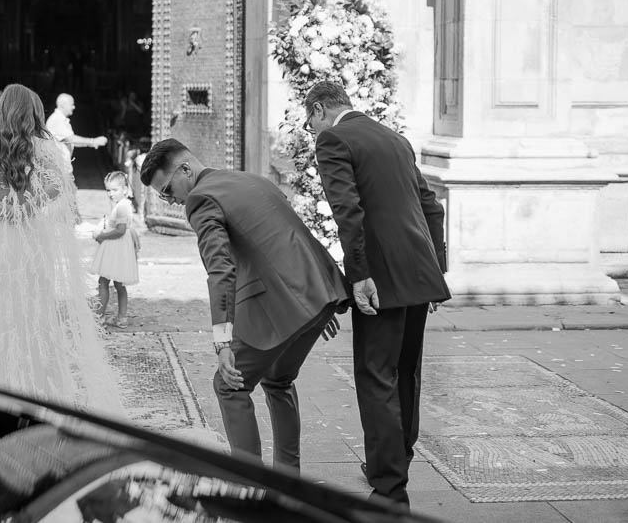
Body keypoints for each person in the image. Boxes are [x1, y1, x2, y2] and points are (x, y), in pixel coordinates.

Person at [140, 139, 350, 471]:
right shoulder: (250, 179)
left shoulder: (200, 199)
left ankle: (249, 489)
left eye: (168, 190)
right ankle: (286, 482)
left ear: (185, 168)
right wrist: (320, 298)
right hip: (316, 295)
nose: (172, 201)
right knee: (279, 380)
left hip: (279, 304)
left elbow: (220, 270)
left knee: (228, 384)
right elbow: (294, 233)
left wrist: (223, 341)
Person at [304, 81, 450, 508]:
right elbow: (431, 206)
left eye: (308, 121)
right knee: (405, 373)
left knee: (376, 377)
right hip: (417, 274)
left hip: (380, 277)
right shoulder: (395, 138)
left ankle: (389, 490)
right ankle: (394, 463)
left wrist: (360, 275)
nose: (310, 130)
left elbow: (348, 211)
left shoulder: (333, 138)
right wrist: (435, 267)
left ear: (318, 109)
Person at [0, 84, 123, 415]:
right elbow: (59, 189)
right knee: (34, 315)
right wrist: (26, 203)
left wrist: (5, 205)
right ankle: (36, 395)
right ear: (33, 113)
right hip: (32, 241)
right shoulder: (45, 151)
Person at [90, 171, 140, 329]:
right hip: (119, 249)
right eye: (108, 190)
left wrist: (102, 236)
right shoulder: (123, 205)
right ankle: (121, 318)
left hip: (115, 249)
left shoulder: (122, 207)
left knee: (103, 282)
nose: (111, 194)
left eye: (114, 190)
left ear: (125, 189)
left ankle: (99, 317)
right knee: (119, 284)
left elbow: (120, 230)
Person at [45, 93, 107, 173]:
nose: (74, 107)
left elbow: (71, 141)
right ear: (63, 105)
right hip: (57, 170)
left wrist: (90, 143)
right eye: (72, 104)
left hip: (61, 169)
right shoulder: (57, 120)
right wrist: (93, 141)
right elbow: (71, 139)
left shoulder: (62, 120)